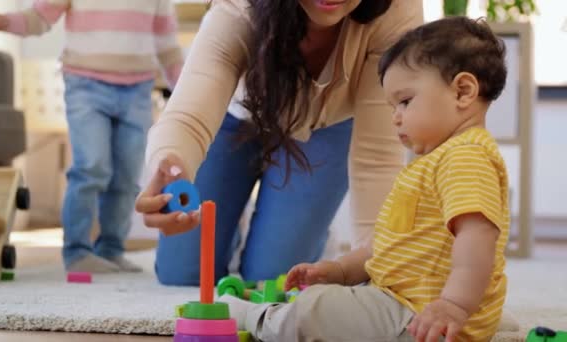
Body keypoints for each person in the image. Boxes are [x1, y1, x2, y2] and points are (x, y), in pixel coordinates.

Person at [218, 16, 510, 341]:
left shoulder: (466, 156)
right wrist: (340, 271)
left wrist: (454, 305)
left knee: (312, 310)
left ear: (463, 91)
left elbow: (477, 240)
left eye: (405, 101)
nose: (396, 117)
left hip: (422, 316)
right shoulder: (434, 163)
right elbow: (386, 246)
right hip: (407, 307)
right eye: (392, 106)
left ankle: (255, 318)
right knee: (329, 303)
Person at [135, 0, 424, 285]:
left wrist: (374, 264)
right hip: (235, 117)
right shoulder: (239, 7)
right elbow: (188, 116)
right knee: (183, 274)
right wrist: (170, 162)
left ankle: (303, 228)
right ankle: (230, 221)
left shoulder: (398, 11)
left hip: (326, 127)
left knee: (275, 279)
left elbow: (378, 158)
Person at [0, 0, 184, 273]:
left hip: (138, 90)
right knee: (91, 166)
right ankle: (77, 252)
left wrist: (187, 96)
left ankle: (111, 249)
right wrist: (7, 22)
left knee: (126, 175)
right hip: (85, 85)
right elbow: (41, 17)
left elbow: (168, 46)